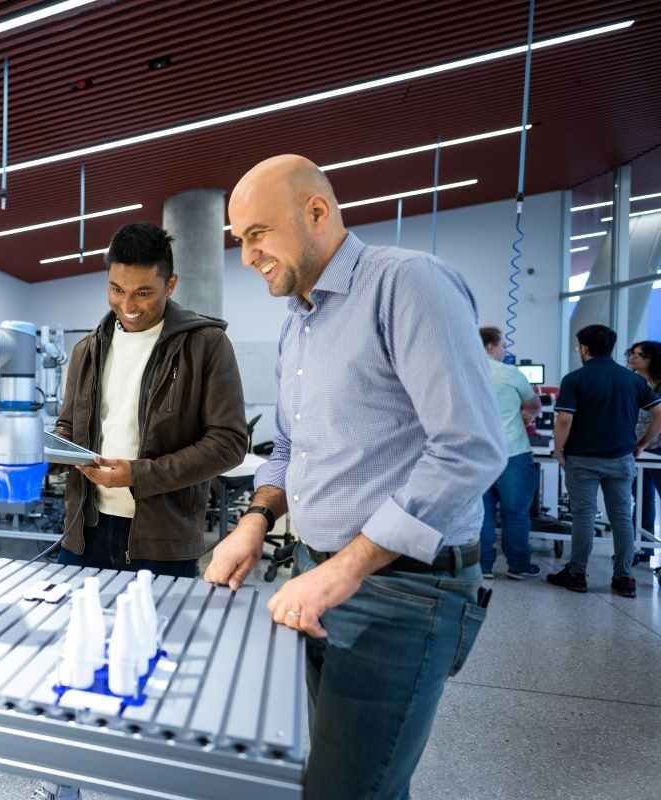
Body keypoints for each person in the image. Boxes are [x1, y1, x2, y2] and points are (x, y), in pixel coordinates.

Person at [205, 154, 505, 799]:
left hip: (403, 592)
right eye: (239, 241)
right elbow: (290, 443)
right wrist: (254, 521)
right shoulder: (297, 326)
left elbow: (469, 447)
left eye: (259, 233)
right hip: (323, 580)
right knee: (338, 774)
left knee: (348, 789)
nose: (249, 254)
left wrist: (346, 567)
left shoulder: (407, 284)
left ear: (317, 211)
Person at [34, 221, 247, 800]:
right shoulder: (88, 346)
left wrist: (141, 475)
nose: (127, 306)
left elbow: (229, 443)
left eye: (143, 293)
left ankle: (148, 787)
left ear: (170, 283)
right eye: (115, 290)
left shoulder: (204, 344)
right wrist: (60, 451)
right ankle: (65, 784)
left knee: (156, 672)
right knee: (76, 663)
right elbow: (66, 423)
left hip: (161, 537)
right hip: (87, 531)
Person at [546, 325, 661, 598]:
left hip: (583, 459)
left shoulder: (575, 379)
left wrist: (558, 450)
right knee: (622, 518)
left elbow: (564, 419)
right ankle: (624, 578)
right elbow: (660, 413)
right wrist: (642, 444)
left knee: (583, 517)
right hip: (622, 458)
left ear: (584, 348)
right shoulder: (633, 380)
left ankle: (577, 573)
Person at [478, 326, 543, 579]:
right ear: (491, 346)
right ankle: (518, 566)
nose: (504, 351)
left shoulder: (460, 370)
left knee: (481, 513)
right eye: (503, 345)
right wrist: (524, 416)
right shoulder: (510, 373)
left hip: (476, 454)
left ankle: (482, 566)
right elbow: (533, 406)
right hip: (512, 452)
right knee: (515, 513)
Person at [625, 339, 661, 562]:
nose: (633, 357)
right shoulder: (633, 382)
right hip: (636, 448)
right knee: (641, 498)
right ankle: (641, 549)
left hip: (657, 450)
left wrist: (646, 443)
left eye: (640, 355)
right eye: (632, 353)